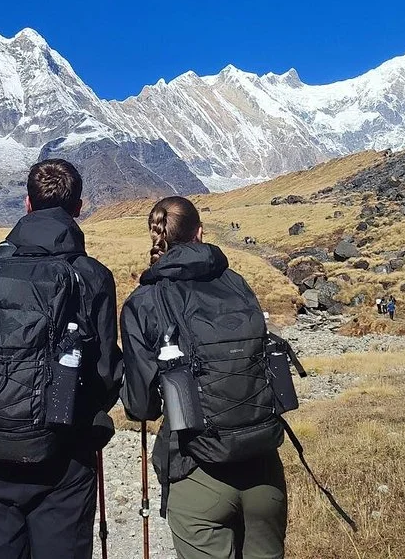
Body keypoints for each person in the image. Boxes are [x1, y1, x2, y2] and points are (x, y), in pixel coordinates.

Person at [0, 159, 123, 559]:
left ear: (27, 204)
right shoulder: (92, 275)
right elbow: (104, 374)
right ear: (79, 207)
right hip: (66, 457)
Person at [121, 196, 288, 559]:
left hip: (195, 468)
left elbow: (140, 406)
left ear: (156, 237)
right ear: (200, 232)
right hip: (263, 467)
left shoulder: (144, 300)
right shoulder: (237, 282)